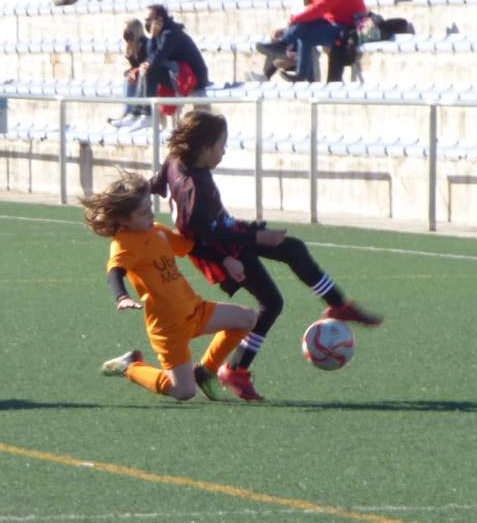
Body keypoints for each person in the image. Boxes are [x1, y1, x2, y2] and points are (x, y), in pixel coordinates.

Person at [150, 111, 382, 402]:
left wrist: (133, 194)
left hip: (227, 233)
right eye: (222, 145)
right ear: (205, 148)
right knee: (271, 303)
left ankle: (338, 305)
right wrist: (248, 245)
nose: (224, 151)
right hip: (218, 251)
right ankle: (235, 370)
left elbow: (157, 184)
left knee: (293, 249)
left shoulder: (175, 161)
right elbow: (205, 234)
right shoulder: (193, 189)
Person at [82, 172, 257, 402]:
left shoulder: (157, 231)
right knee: (183, 391)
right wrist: (121, 296)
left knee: (247, 319)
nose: (151, 213)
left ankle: (205, 371)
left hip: (194, 310)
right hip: (168, 329)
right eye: (143, 212)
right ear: (123, 220)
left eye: (150, 207)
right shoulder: (123, 244)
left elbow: (192, 248)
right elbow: (114, 272)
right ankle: (130, 367)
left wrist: (225, 260)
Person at [266, 0, 365, 82]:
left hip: (348, 27)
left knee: (303, 32)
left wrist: (295, 19)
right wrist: (296, 21)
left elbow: (322, 6)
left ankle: (286, 46)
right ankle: (299, 70)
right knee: (302, 29)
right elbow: (317, 6)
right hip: (334, 22)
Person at [249, 0, 319, 82]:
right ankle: (271, 71)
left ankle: (291, 58)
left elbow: (314, 14)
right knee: (278, 37)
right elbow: (293, 16)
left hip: (316, 27)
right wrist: (283, 29)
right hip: (300, 28)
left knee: (297, 34)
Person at [141, 5, 210, 119]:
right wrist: (146, 64)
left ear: (159, 19)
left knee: (149, 71)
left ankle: (146, 113)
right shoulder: (161, 33)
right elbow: (150, 56)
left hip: (193, 77)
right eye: (145, 20)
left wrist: (153, 38)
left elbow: (159, 56)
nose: (147, 23)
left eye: (149, 20)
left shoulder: (170, 33)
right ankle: (137, 111)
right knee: (142, 70)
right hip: (179, 73)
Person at [109, 19, 151, 127]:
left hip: (148, 75)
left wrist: (133, 71)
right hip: (139, 74)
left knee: (131, 79)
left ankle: (128, 112)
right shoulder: (131, 45)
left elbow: (145, 63)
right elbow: (134, 65)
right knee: (128, 77)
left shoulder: (145, 44)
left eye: (128, 30)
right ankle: (127, 111)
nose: (126, 33)